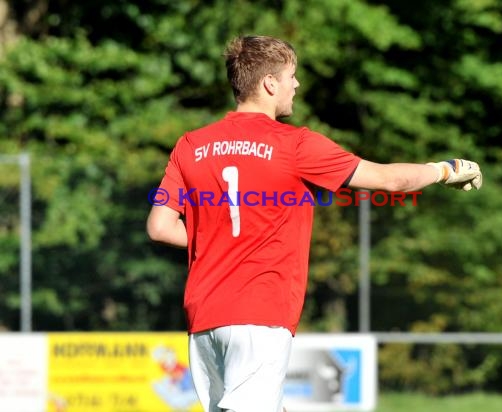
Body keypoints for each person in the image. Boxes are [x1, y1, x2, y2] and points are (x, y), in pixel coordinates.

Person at [146, 35, 482, 412]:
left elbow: (160, 226)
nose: (296, 85)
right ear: (269, 83)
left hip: (204, 315)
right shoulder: (295, 145)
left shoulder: (190, 144)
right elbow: (391, 181)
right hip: (259, 313)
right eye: (292, 75)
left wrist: (219, 237)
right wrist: (443, 169)